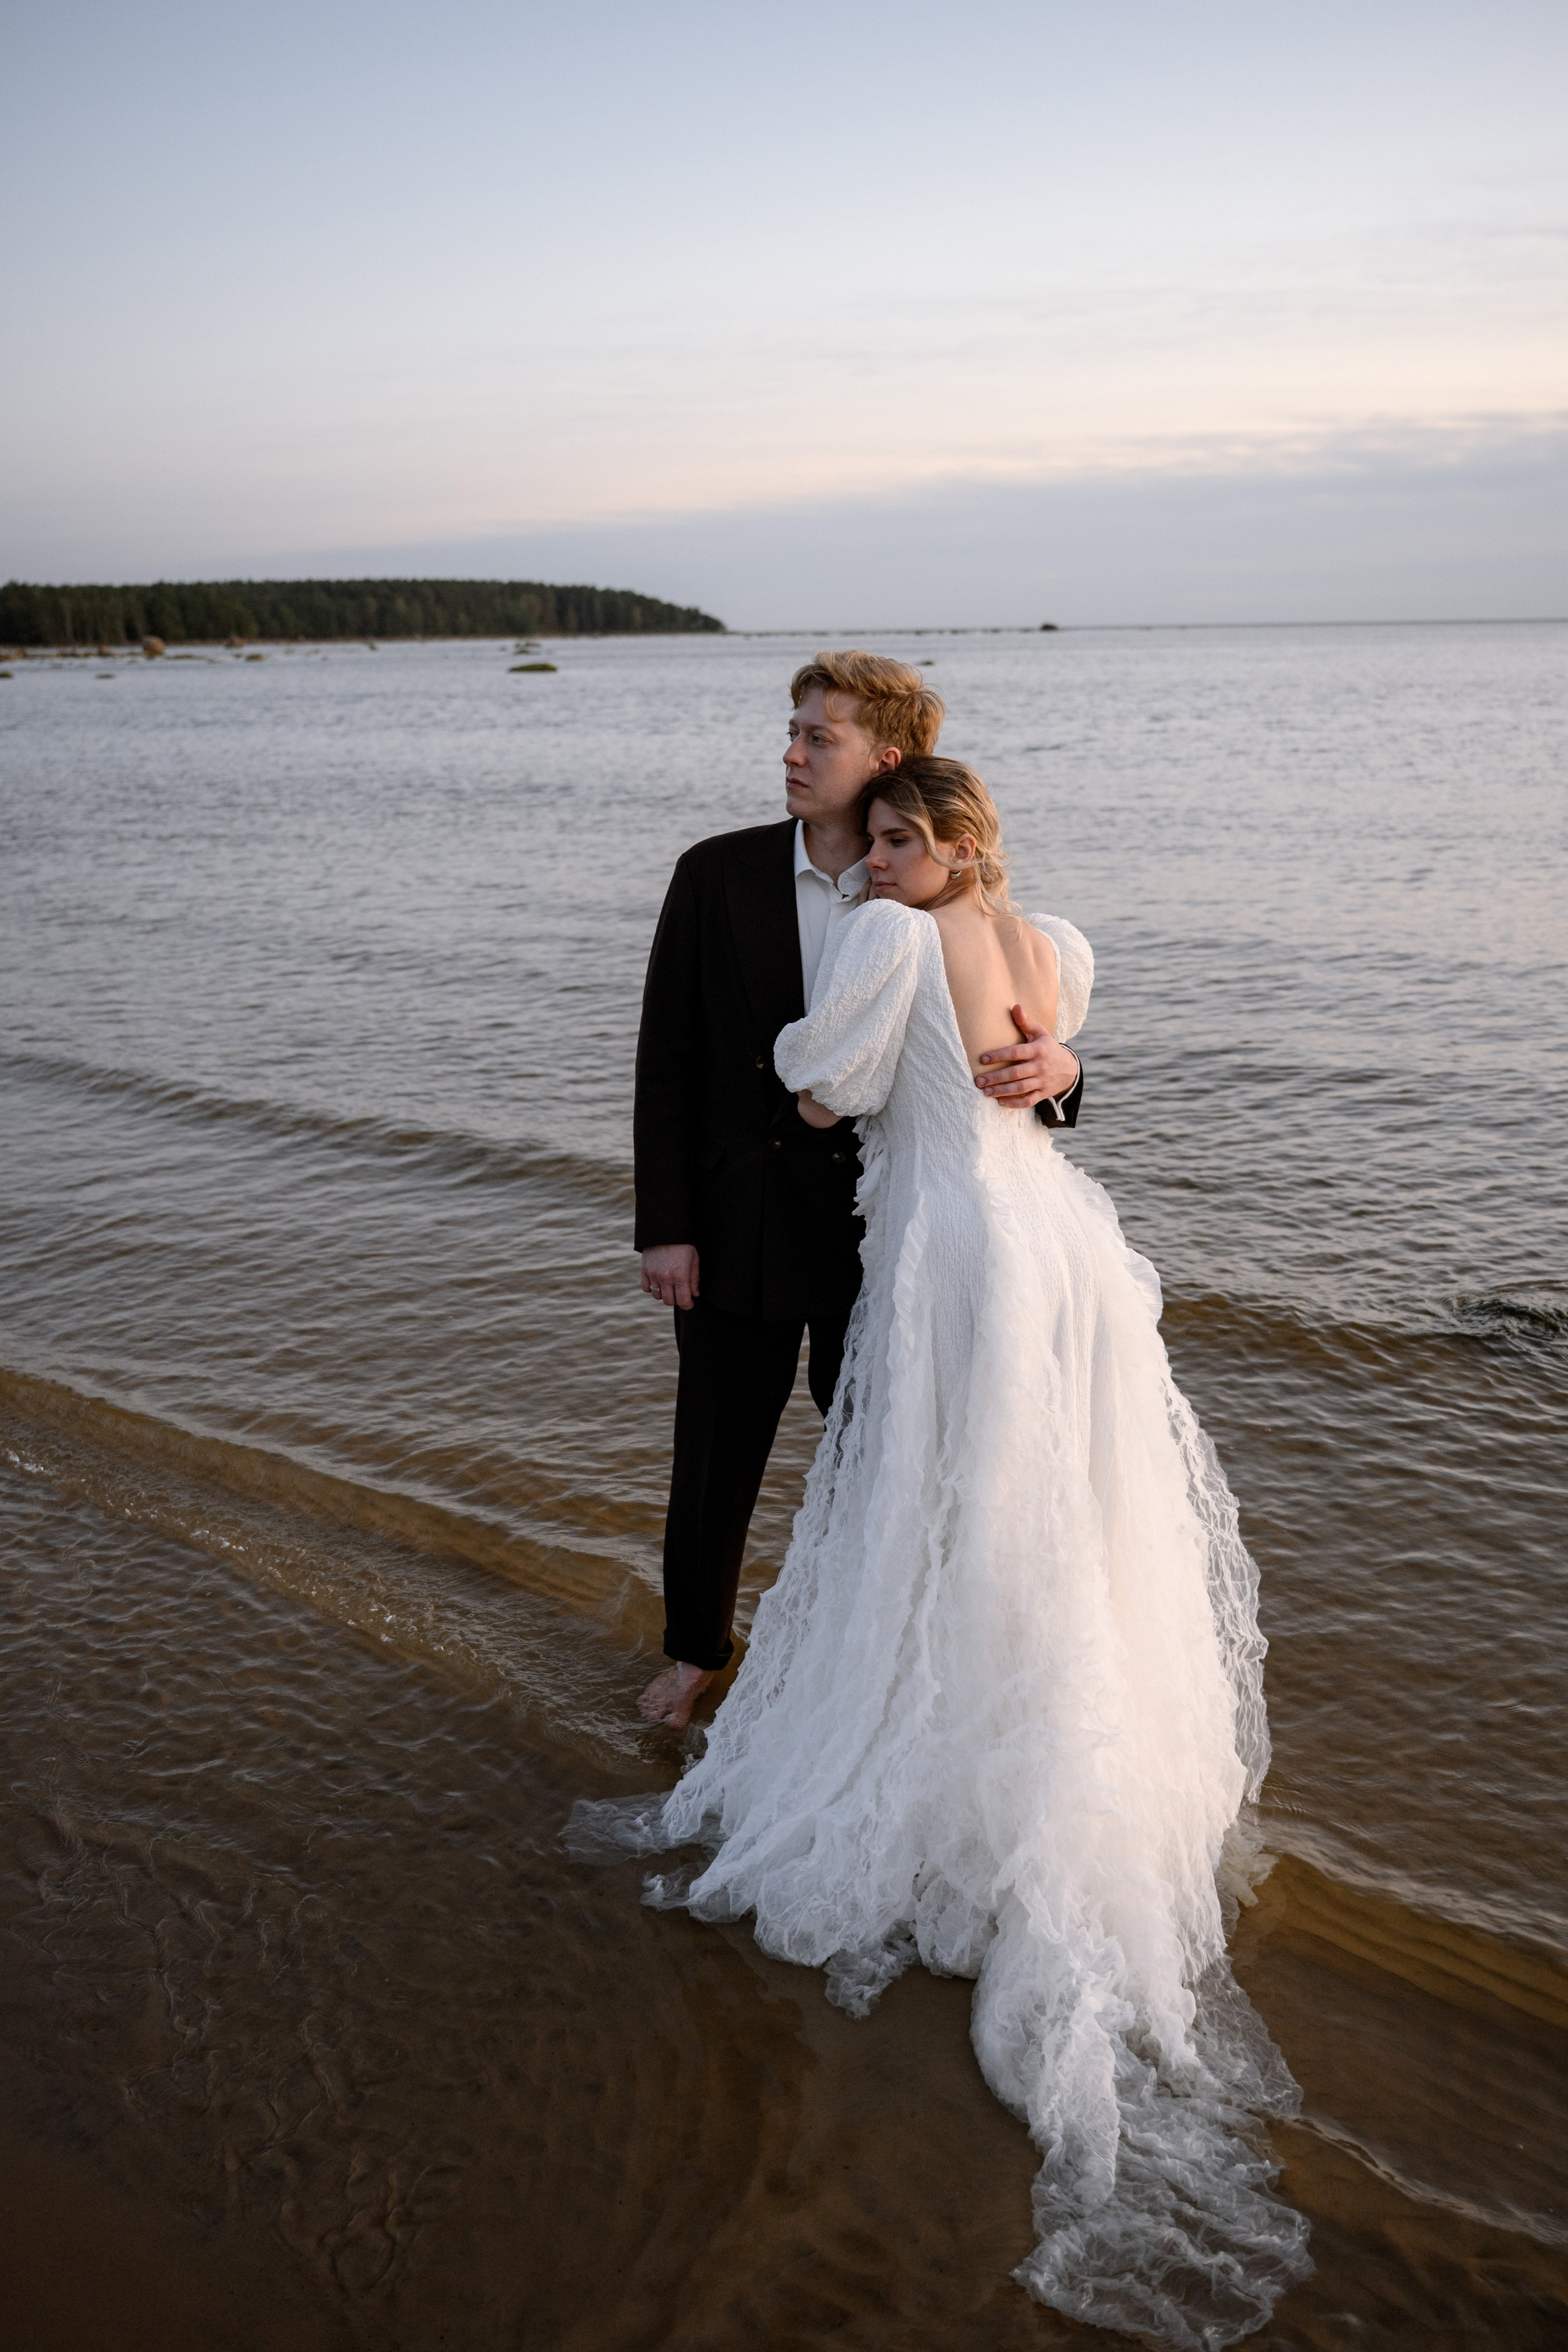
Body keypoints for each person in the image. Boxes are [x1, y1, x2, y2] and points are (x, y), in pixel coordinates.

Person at [582, 760, 1310, 2345]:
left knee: (938, 1502)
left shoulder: (893, 938)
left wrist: (815, 1043)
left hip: (953, 1256)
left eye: (908, 838)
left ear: (953, 838)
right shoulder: (1052, 936)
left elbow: (816, 1084)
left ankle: (933, 1755)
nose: (885, 858)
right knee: (1042, 1516)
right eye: (881, 838)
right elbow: (1047, 1067)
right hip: (1070, 1253)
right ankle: (1039, 1732)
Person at [633, 652, 1082, 1730]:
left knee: (882, 1464)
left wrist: (1064, 1073)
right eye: (791, 731)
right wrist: (666, 1228)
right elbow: (668, 1059)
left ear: (890, 759)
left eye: (816, 737)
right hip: (734, 1223)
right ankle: (697, 1652)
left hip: (886, 1244)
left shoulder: (936, 893)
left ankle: (859, 1669)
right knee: (715, 1459)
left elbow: (998, 1045)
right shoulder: (715, 873)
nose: (789, 753)